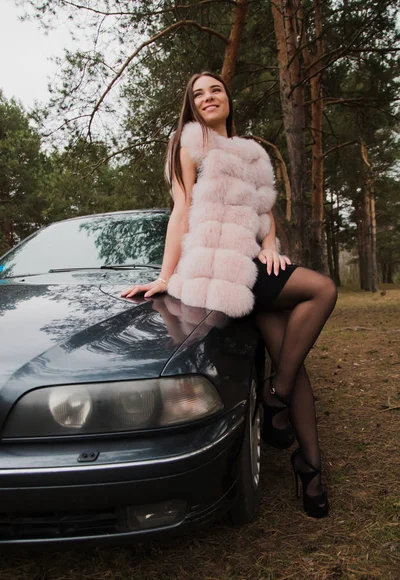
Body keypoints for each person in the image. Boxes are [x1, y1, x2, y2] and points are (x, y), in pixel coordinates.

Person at [122, 71, 337, 519]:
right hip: (216, 267)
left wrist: (271, 244)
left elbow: (264, 211)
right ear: (193, 105)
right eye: (198, 94)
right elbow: (183, 208)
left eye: (214, 89)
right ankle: (279, 403)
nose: (207, 98)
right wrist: (165, 276)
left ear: (228, 96)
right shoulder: (192, 143)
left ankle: (308, 462)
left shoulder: (253, 152)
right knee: (321, 290)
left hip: (254, 264)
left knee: (291, 360)